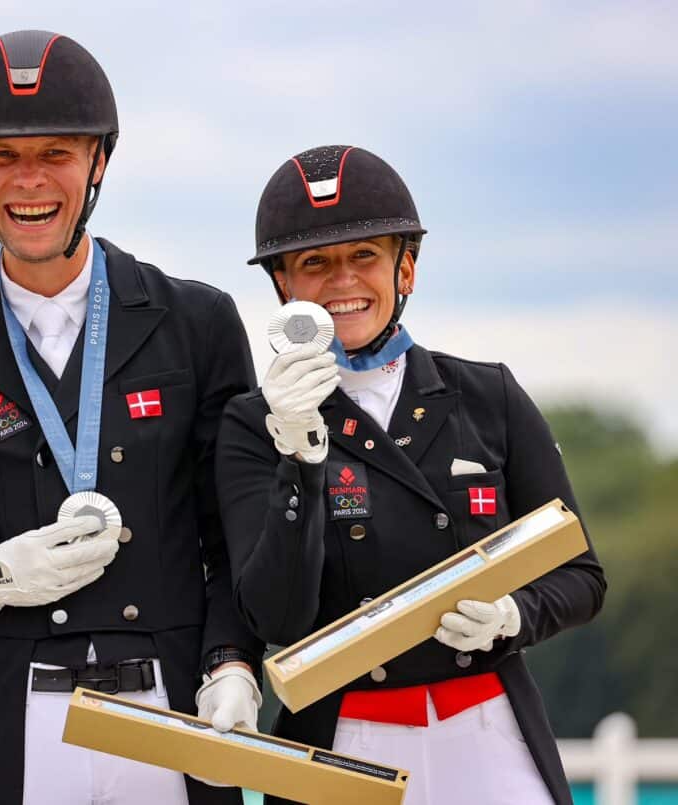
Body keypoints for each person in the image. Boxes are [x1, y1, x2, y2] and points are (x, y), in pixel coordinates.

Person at [0, 30, 264, 805]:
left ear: (99, 163)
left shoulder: (197, 324)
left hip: (169, 712)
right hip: (8, 720)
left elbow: (234, 537)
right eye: (3, 156)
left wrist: (234, 661)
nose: (30, 181)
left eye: (55, 152)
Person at [216, 145, 606, 805]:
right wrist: (301, 457)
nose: (343, 281)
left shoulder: (487, 395)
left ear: (408, 268)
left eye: (364, 255)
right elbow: (277, 612)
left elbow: (581, 576)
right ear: (284, 285)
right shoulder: (253, 423)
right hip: (342, 739)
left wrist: (514, 614)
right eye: (315, 263)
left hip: (487, 726)